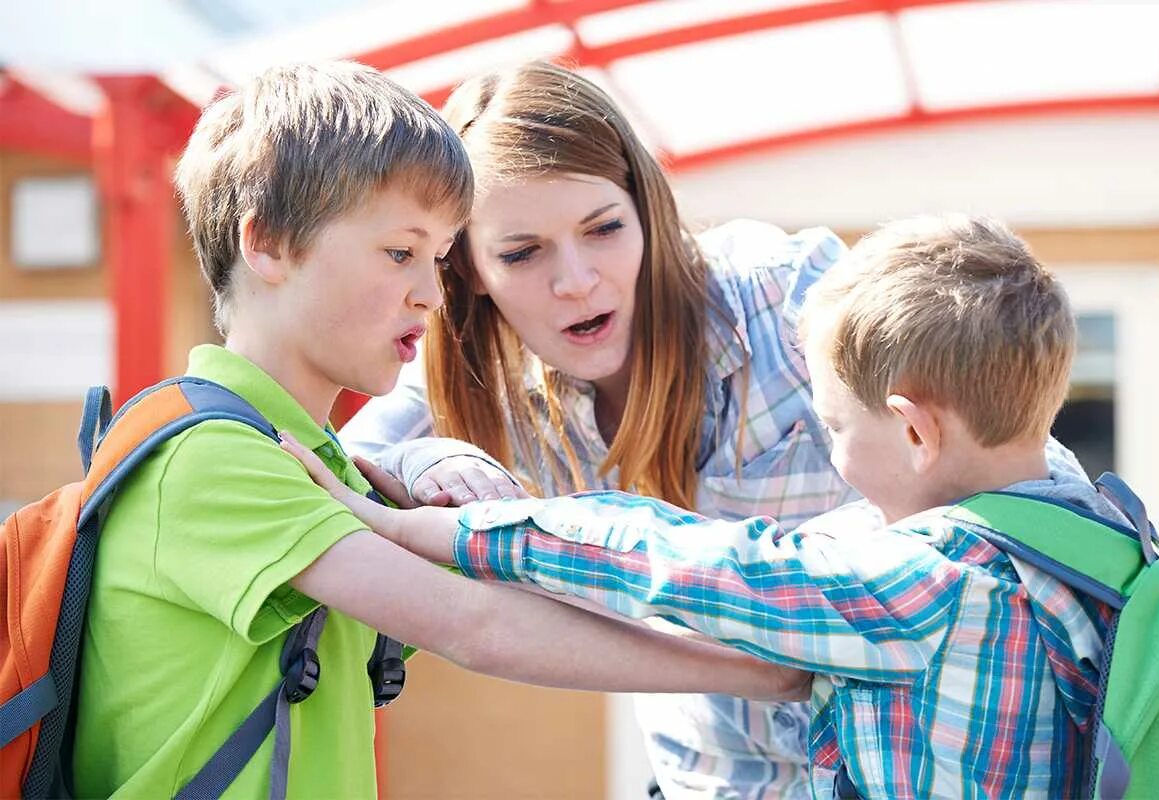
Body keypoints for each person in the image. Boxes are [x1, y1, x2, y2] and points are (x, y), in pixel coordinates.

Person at [69, 61, 810, 800]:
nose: (430, 294)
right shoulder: (216, 457)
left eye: (436, 258)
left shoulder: (327, 466)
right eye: (402, 254)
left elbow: (515, 602)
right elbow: (478, 625)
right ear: (268, 245)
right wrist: (779, 665)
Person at [297, 214, 1122, 798]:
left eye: (834, 426)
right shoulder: (1101, 540)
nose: (830, 451)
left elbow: (669, 555)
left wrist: (435, 528)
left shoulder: (913, 588)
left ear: (912, 432)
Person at [341, 60, 859, 798]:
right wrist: (424, 458)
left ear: (642, 208)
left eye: (604, 228)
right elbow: (335, 469)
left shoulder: (787, 294)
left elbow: (1001, 467)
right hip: (711, 783)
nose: (577, 279)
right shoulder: (473, 374)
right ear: (471, 270)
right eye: (523, 252)